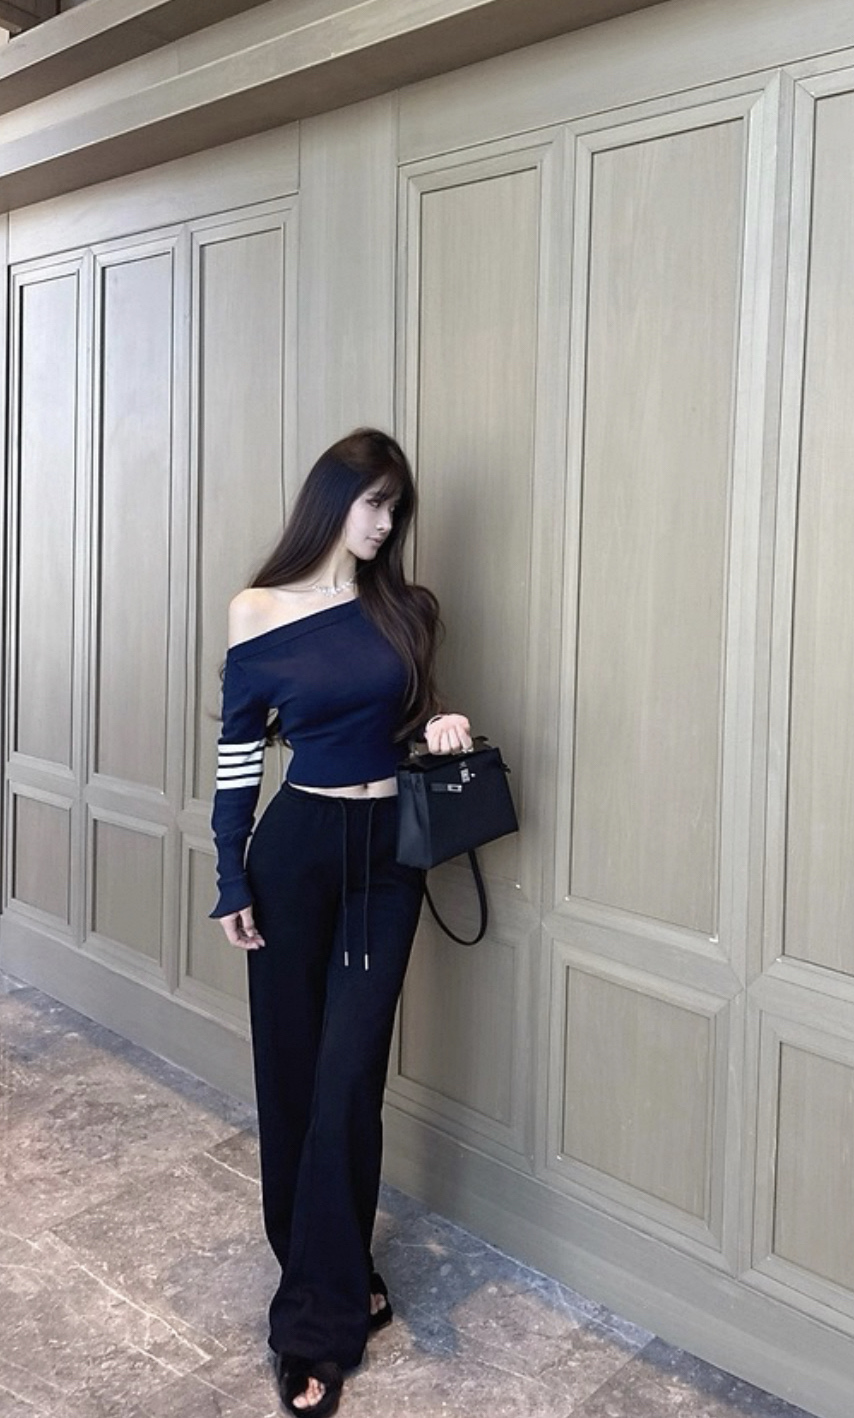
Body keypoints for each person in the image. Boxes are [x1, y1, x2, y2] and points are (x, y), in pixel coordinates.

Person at [209, 429, 471, 1417]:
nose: (387, 523)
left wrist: (442, 723)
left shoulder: (406, 610)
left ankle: (318, 1307)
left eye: (397, 507)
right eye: (374, 502)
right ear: (333, 500)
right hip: (295, 854)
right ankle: (325, 1293)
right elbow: (240, 755)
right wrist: (230, 875)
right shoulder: (258, 610)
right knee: (292, 1075)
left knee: (349, 1079)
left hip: (385, 863)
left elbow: (410, 722)